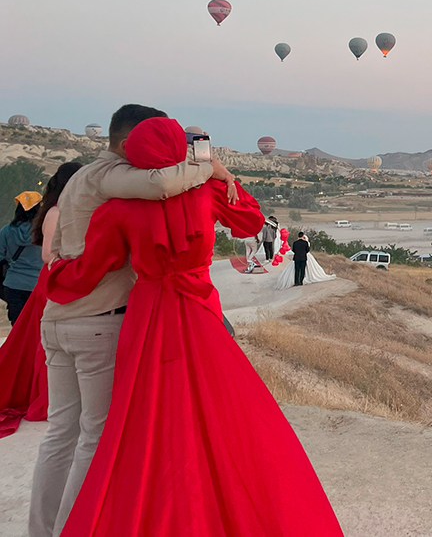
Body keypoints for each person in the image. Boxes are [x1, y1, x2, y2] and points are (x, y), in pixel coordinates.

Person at [45, 118, 343, 537]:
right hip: (200, 309)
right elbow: (250, 221)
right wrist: (223, 175)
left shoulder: (117, 207)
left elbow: (91, 269)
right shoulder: (207, 189)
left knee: (147, 418)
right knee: (222, 409)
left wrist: (54, 273)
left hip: (149, 316)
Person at [29, 104, 238, 537]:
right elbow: (163, 185)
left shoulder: (79, 179)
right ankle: (72, 529)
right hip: (97, 318)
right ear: (128, 144)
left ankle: (43, 528)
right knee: (94, 437)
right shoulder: (112, 177)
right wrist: (210, 166)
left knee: (60, 435)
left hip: (58, 319)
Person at [0, 165, 81, 439]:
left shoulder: (68, 209)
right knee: (42, 343)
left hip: (36, 283)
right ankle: (46, 396)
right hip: (51, 281)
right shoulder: (56, 212)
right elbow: (48, 254)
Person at [1, 191, 44, 324]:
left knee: (18, 328)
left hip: (14, 285)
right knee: (37, 328)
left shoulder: (6, 231)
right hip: (39, 286)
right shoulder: (44, 232)